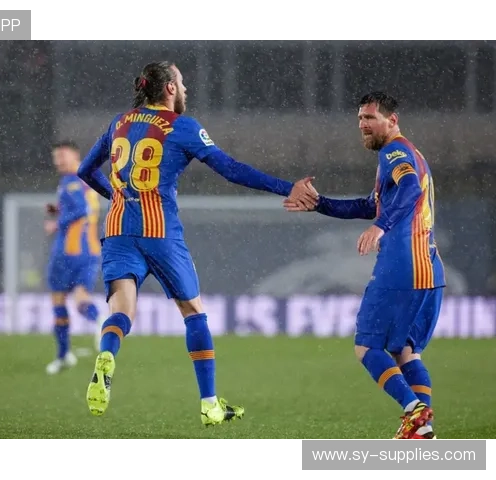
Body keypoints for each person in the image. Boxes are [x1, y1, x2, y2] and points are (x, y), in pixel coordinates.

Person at [77, 61, 311, 425]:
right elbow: (231, 169)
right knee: (194, 313)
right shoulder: (181, 126)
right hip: (160, 232)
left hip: (118, 229)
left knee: (121, 312)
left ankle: (107, 356)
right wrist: (286, 187)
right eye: (182, 83)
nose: (185, 89)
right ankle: (209, 404)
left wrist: (119, 196)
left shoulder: (118, 122)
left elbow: (85, 170)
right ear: (170, 88)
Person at [285, 92, 445, 440]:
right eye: (360, 118)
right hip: (429, 268)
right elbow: (369, 205)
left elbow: (410, 189)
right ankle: (423, 428)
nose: (362, 124)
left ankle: (413, 410)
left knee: (367, 347)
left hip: (403, 264)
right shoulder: (408, 153)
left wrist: (380, 227)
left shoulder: (394, 152)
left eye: (370, 118)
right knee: (405, 352)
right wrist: (321, 204)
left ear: (392, 120)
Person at [44, 140, 104, 375]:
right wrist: (59, 210)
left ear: (75, 155)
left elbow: (81, 210)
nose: (58, 162)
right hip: (90, 249)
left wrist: (57, 223)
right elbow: (85, 207)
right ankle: (98, 321)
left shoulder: (71, 180)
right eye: (56, 158)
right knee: (81, 297)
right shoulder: (90, 176)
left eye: (62, 156)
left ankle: (64, 354)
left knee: (59, 300)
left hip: (69, 251)